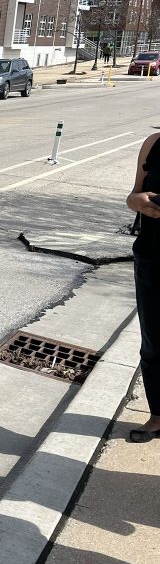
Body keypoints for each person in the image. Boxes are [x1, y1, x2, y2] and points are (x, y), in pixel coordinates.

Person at [127, 132, 160, 442]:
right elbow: (133, 195)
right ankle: (157, 416)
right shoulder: (154, 143)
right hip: (152, 257)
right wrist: (138, 201)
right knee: (153, 343)